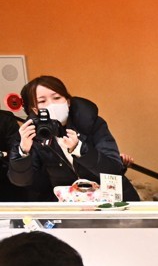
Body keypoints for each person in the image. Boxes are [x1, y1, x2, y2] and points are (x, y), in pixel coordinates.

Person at [8, 76, 140, 203]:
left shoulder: (91, 122)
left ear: (68, 101)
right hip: (70, 206)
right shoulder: (31, 133)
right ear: (35, 110)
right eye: (42, 101)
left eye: (57, 97)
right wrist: (23, 152)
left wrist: (80, 150)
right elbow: (21, 181)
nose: (51, 104)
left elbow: (113, 169)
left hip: (112, 201)